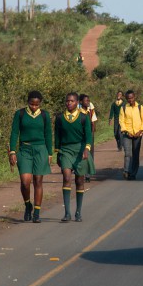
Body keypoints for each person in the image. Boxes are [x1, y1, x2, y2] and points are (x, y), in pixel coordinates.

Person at [8, 90, 53, 223]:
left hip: (41, 150)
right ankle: (28, 205)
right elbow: (14, 133)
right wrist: (12, 152)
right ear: (28, 102)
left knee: (38, 181)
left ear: (40, 104)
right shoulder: (20, 114)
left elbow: (48, 134)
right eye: (32, 104)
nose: (34, 107)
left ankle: (37, 213)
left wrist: (50, 153)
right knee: (25, 182)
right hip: (25, 150)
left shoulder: (45, 115)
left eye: (37, 104)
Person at [55, 92, 95, 222]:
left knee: (80, 181)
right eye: (67, 101)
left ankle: (78, 212)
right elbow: (57, 135)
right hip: (65, 150)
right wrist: (57, 151)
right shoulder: (60, 118)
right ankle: (67, 213)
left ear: (77, 102)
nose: (69, 103)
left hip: (80, 150)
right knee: (66, 177)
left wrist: (86, 149)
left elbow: (88, 136)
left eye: (72, 101)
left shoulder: (84, 117)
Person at [119, 90, 143, 180]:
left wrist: (141, 130)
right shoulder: (123, 108)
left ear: (134, 97)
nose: (130, 100)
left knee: (135, 154)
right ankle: (126, 171)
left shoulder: (140, 107)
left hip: (137, 134)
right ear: (126, 99)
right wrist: (126, 132)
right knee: (128, 153)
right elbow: (121, 121)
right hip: (127, 134)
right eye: (128, 98)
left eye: (131, 98)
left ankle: (133, 173)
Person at [79, 94, 97, 183]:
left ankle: (88, 174)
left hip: (89, 134)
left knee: (90, 153)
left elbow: (93, 122)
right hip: (81, 136)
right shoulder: (78, 111)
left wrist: (92, 134)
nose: (88, 102)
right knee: (82, 153)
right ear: (81, 102)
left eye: (88, 100)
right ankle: (82, 173)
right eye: (86, 101)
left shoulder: (90, 110)